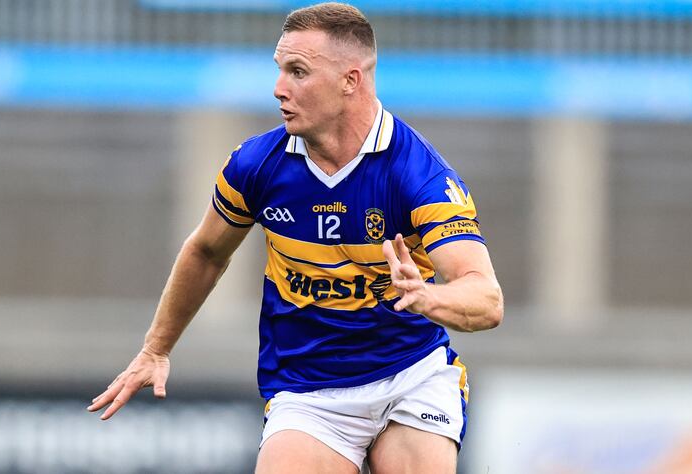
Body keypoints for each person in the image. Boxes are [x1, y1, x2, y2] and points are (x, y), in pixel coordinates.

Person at [87, 3, 503, 473]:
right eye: (280, 69)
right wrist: (155, 348)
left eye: (298, 72)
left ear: (351, 80)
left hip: (411, 375)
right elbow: (206, 251)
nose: (279, 88)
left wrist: (429, 298)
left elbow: (486, 299)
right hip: (308, 390)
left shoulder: (419, 177)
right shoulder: (256, 166)